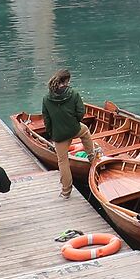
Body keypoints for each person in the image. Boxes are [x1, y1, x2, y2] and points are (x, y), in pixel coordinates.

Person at [40, 68, 88, 199]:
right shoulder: (73, 94)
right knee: (85, 132)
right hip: (74, 129)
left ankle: (66, 192)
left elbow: (46, 120)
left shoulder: (46, 98)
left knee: (63, 162)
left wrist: (52, 134)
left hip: (59, 135)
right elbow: (81, 112)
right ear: (67, 81)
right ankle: (92, 157)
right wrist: (75, 123)